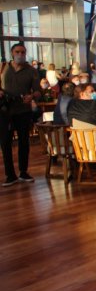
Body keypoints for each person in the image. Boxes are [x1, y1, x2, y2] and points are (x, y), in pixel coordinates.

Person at [0, 43, 41, 186]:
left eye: (23, 52)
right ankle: (10, 174)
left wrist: (32, 96)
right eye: (17, 52)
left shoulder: (31, 71)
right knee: (5, 142)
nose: (20, 54)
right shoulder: (3, 67)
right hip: (5, 110)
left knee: (24, 141)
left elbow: (37, 91)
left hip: (23, 110)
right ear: (12, 53)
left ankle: (23, 171)